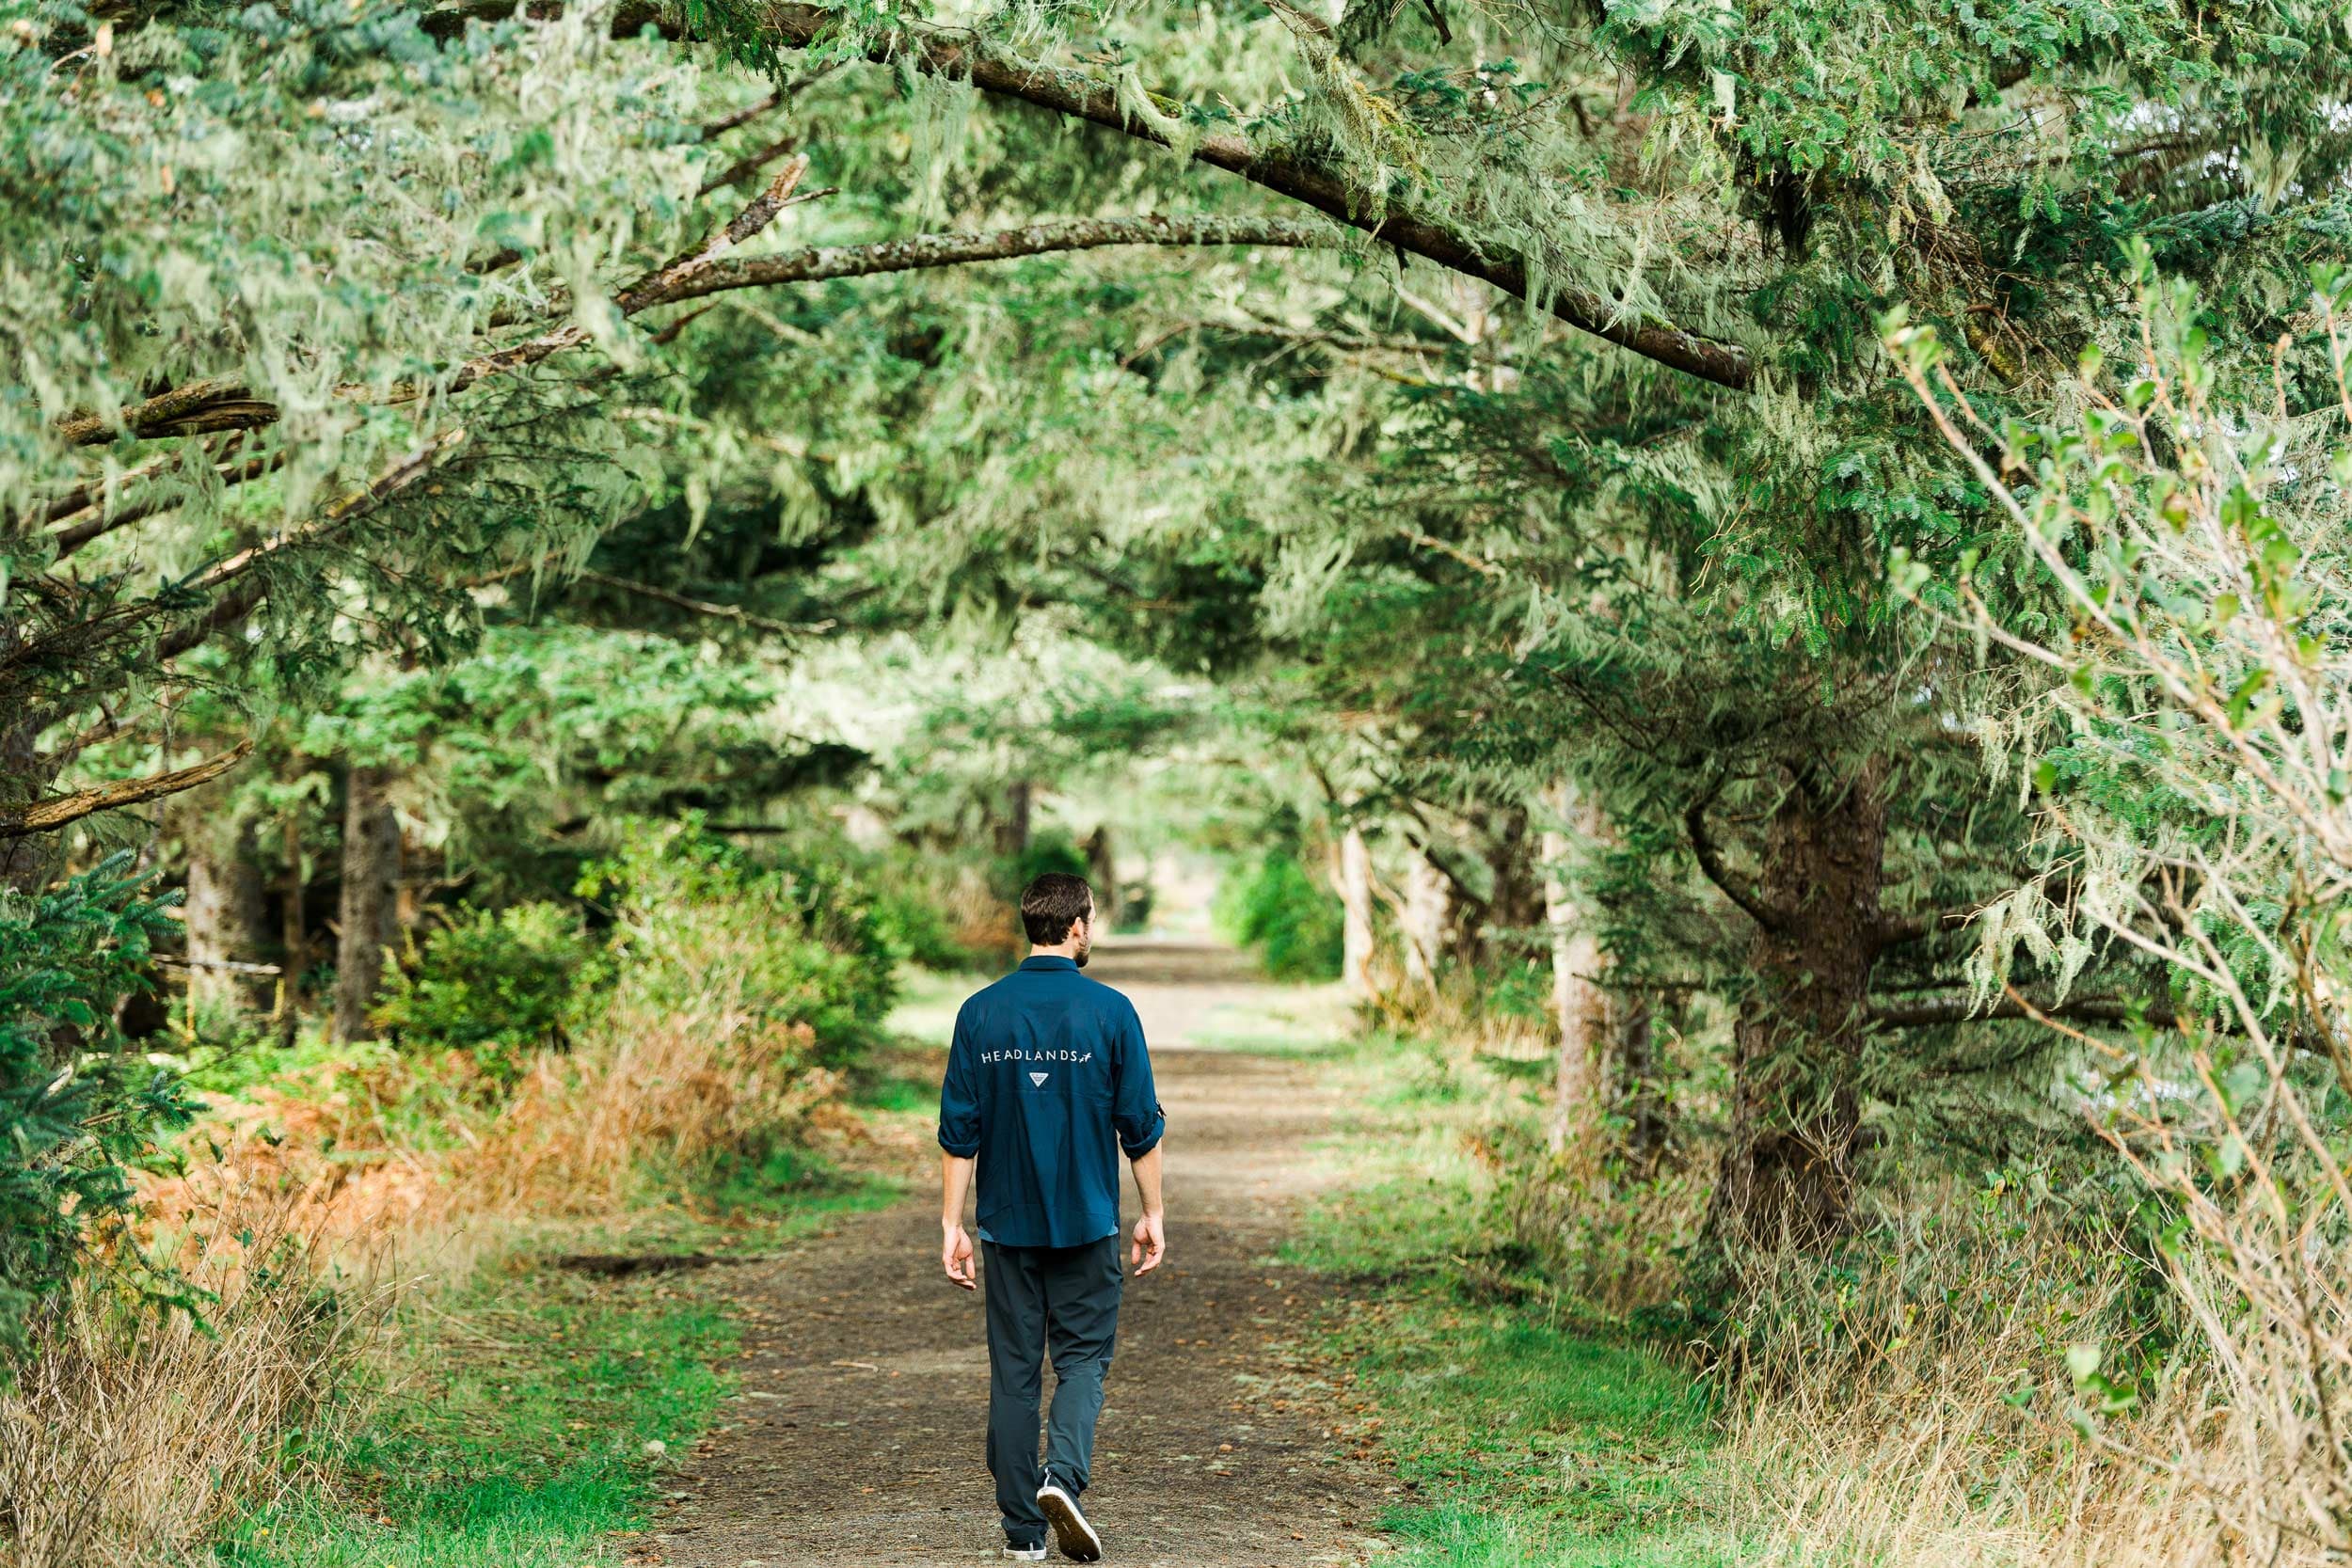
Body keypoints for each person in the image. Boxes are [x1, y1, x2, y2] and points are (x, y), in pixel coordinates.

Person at [937, 872, 1167, 1562]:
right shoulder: (1112, 1011)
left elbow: (959, 1131)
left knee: (1013, 1373)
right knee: (1084, 1360)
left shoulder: (979, 1012)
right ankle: (1061, 1478)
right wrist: (1153, 1211)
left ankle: (1022, 1532)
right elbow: (1140, 1124)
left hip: (1006, 1225)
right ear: (1076, 925)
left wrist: (951, 1224)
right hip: (1087, 1221)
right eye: (1090, 919)